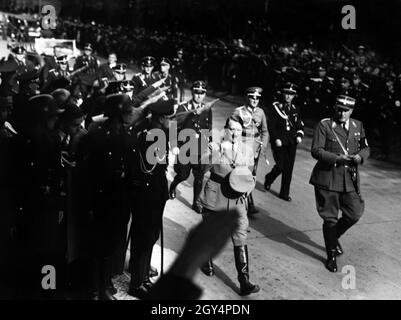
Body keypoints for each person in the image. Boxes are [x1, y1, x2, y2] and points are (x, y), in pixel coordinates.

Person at [199, 118, 260, 296]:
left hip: (237, 199)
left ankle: (244, 280)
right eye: (231, 130)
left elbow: (251, 176)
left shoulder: (246, 150)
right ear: (225, 130)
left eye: (238, 131)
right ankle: (206, 260)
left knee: (240, 234)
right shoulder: (215, 146)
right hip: (216, 194)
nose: (234, 134)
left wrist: (247, 191)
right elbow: (201, 164)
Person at [309, 95, 369, 272]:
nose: (342, 113)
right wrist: (337, 158)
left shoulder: (358, 125)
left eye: (346, 110)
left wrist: (360, 156)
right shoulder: (325, 125)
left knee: (354, 213)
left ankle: (333, 238)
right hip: (327, 178)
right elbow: (316, 150)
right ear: (335, 108)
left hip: (349, 179)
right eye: (339, 109)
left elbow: (366, 147)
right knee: (330, 218)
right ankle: (331, 255)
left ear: (352, 111)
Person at [127, 100, 175, 299]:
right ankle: (136, 283)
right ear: (161, 118)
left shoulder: (155, 133)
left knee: (150, 236)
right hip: (147, 194)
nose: (171, 122)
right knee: (143, 237)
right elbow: (151, 169)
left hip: (154, 193)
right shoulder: (152, 137)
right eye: (169, 118)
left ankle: (144, 276)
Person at [168, 80, 212, 213]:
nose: (199, 96)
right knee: (183, 175)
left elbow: (208, 127)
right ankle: (173, 186)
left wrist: (210, 146)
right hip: (185, 147)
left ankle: (195, 203)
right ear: (192, 92)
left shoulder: (207, 108)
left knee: (199, 177)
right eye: (196, 92)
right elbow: (173, 127)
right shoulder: (184, 108)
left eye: (202, 93)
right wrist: (174, 145)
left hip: (200, 148)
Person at [230, 87, 268, 215]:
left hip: (255, 148)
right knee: (242, 175)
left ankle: (248, 202)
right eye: (252, 97)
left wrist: (263, 147)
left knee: (252, 175)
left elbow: (265, 131)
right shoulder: (239, 111)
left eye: (257, 98)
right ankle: (242, 204)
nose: (255, 100)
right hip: (242, 147)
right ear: (247, 97)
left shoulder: (261, 113)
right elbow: (229, 128)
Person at [264, 83, 304, 201]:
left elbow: (299, 125)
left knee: (289, 168)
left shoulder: (296, 109)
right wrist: (276, 138)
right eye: (286, 93)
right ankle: (269, 178)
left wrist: (299, 136)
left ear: (294, 96)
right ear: (283, 94)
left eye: (291, 94)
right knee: (281, 166)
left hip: (291, 142)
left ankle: (284, 193)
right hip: (279, 141)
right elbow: (271, 125)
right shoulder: (275, 107)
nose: (288, 97)